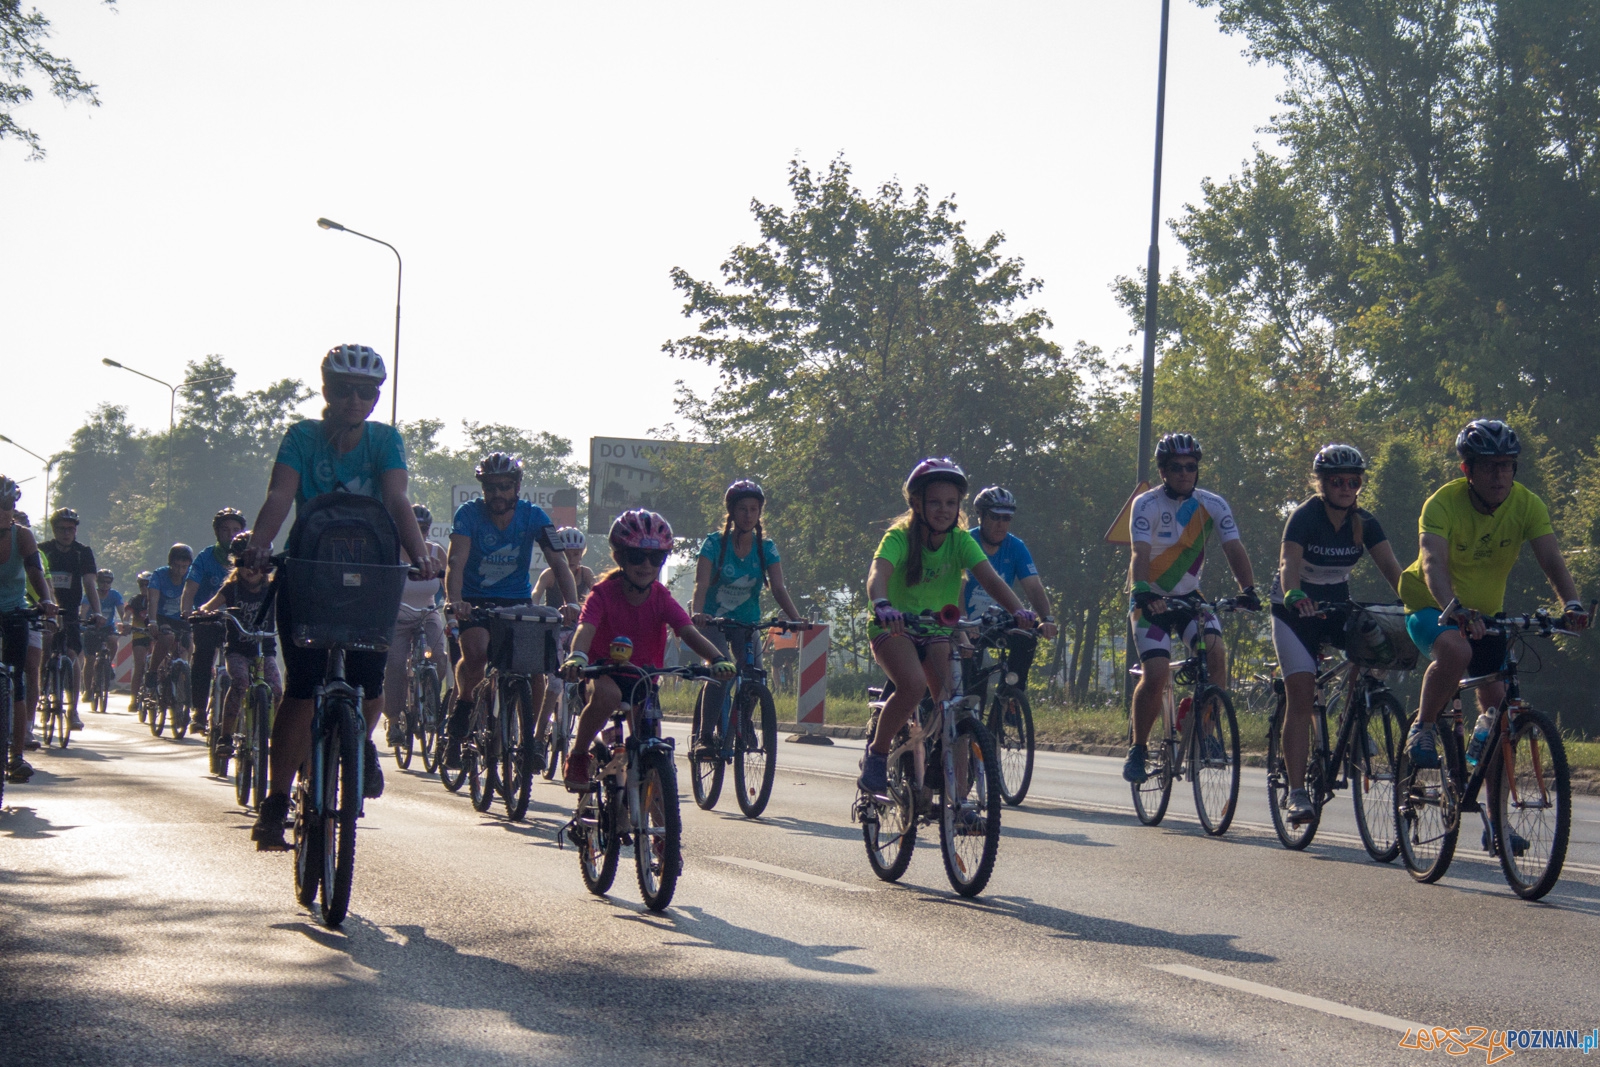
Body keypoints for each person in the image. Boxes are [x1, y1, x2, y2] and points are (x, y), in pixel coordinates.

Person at [241, 344, 438, 850]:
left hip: (372, 573)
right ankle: (275, 801)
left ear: (375, 398)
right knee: (302, 688)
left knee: (370, 682)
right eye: (345, 390)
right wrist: (260, 546)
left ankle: (359, 743)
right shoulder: (301, 436)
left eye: (365, 392)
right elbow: (281, 496)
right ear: (327, 391)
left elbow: (396, 499)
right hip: (310, 569)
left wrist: (419, 555)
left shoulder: (385, 440)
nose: (355, 400)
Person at [1398, 420, 1588, 780]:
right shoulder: (1442, 504)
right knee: (1458, 652)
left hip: (1485, 614)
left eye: (1506, 465)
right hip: (1432, 605)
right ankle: (1423, 726)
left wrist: (1572, 604)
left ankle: (1492, 811)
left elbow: (1551, 559)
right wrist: (1454, 608)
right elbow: (1433, 562)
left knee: (1499, 713)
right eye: (1488, 466)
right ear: (1467, 470)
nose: (1499, 475)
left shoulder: (1527, 504)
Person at [858, 459, 1037, 794]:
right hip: (894, 628)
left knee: (954, 704)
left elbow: (991, 580)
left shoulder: (960, 540)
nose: (944, 510)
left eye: (951, 503)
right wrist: (882, 605)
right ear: (917, 504)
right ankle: (877, 755)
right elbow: (878, 574)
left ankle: (959, 799)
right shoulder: (898, 537)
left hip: (936, 630)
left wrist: (1019, 611)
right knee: (913, 685)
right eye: (936, 502)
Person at [1270, 445, 1404, 824]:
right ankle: (1297, 793)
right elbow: (1288, 563)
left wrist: (1418, 603)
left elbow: (1392, 569)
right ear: (1322, 484)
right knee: (1301, 693)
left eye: (1353, 482)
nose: (1345, 488)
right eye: (1337, 481)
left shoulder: (1365, 522)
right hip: (1295, 609)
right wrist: (1294, 594)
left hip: (1336, 605)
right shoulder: (1304, 517)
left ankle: (1354, 717)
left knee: (1379, 645)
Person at [558, 509, 733, 788]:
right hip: (601, 674)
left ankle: (652, 809)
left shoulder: (661, 597)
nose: (647, 565)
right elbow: (585, 628)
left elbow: (687, 630)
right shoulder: (602, 593)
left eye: (656, 558)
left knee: (651, 752)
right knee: (609, 695)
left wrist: (718, 658)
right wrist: (577, 657)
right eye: (637, 557)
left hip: (643, 680)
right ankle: (578, 755)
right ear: (620, 557)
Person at [1123, 433, 1261, 784]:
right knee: (1156, 674)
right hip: (1150, 597)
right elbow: (1139, 552)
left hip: (1189, 597)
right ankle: (1138, 748)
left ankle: (1206, 732)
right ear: (1163, 471)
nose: (1184, 473)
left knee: (1216, 654)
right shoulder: (1147, 504)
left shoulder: (1212, 504)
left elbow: (1233, 547)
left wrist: (1248, 590)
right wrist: (1142, 591)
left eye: (1190, 467)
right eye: (1176, 467)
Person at [442, 452, 579, 771]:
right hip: (474, 599)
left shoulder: (534, 516)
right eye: (490, 488)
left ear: (516, 487)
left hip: (516, 600)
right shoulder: (468, 514)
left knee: (534, 667)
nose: (497, 494)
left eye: (504, 487)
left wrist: (571, 602)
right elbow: (455, 562)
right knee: (476, 654)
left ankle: (530, 740)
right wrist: (455, 600)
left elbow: (559, 563)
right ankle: (464, 707)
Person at [689, 480, 803, 752]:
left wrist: (796, 619)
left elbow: (778, 588)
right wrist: (698, 613)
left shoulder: (767, 548)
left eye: (754, 509)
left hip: (746, 621)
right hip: (714, 620)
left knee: (755, 675)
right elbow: (701, 584)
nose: (748, 515)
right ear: (731, 511)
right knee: (722, 669)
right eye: (742, 509)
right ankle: (704, 737)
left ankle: (744, 720)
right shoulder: (714, 544)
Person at [960, 485, 1060, 696]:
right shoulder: (966, 542)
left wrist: (1047, 619)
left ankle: (1011, 697)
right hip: (967, 623)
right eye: (995, 517)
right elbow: (956, 588)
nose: (1001, 524)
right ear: (981, 515)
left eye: (1006, 518)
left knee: (1026, 637)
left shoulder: (1016, 546)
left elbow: (1033, 587)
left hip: (997, 621)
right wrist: (964, 620)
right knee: (973, 685)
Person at [197, 531, 282, 774]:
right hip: (238, 652)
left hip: (264, 653)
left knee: (277, 690)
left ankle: (278, 738)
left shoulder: (273, 588)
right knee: (240, 682)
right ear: (236, 563)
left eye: (256, 563)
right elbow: (210, 605)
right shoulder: (231, 588)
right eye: (244, 563)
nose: (250, 569)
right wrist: (203, 612)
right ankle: (225, 737)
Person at [1, 479, 57, 783]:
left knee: (16, 680)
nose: (2, 512)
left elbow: (35, 571)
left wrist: (46, 600)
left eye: (6, 506)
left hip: (14, 611)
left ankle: (16, 756)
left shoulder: (21, 535)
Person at [383, 503, 448, 747]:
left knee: (439, 656)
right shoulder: (391, 551)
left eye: (424, 528)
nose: (419, 533)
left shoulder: (436, 551)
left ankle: (428, 699)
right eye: (414, 527)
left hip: (428, 612)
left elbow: (451, 585)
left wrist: (453, 608)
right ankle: (394, 720)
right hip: (399, 614)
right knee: (395, 664)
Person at [531, 525, 593, 765]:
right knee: (554, 685)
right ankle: (538, 739)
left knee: (591, 681)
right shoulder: (549, 574)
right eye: (566, 553)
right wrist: (535, 608)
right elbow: (536, 594)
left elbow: (596, 595)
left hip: (578, 632)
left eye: (576, 553)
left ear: (582, 553)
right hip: (555, 632)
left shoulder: (586, 574)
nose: (571, 558)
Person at [182, 507, 247, 733]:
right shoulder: (205, 557)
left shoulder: (247, 557)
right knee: (202, 657)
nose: (231, 535)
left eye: (235, 530)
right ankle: (199, 711)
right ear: (217, 532)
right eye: (225, 530)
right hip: (206, 619)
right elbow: (190, 589)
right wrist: (187, 612)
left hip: (238, 621)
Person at [39, 507, 103, 730]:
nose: (66, 533)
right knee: (45, 644)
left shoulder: (82, 552)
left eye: (70, 529)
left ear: (75, 530)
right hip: (45, 610)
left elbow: (89, 584)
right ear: (54, 530)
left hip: (71, 610)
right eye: (61, 529)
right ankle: (42, 689)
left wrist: (97, 612)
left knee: (73, 655)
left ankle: (73, 710)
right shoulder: (43, 550)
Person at [145, 544, 194, 711]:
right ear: (170, 563)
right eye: (176, 566)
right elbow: (153, 600)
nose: (180, 570)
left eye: (184, 567)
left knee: (188, 645)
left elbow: (197, 596)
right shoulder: (159, 575)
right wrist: (152, 621)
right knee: (167, 637)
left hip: (182, 617)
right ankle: (152, 671)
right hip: (161, 617)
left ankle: (182, 683)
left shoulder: (191, 576)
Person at [125, 571, 155, 720]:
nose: (144, 587)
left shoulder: (157, 598)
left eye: (147, 585)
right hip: (140, 635)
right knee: (140, 665)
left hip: (154, 636)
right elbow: (127, 614)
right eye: (142, 584)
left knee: (157, 666)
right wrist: (126, 623)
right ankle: (133, 699)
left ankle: (157, 694)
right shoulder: (135, 600)